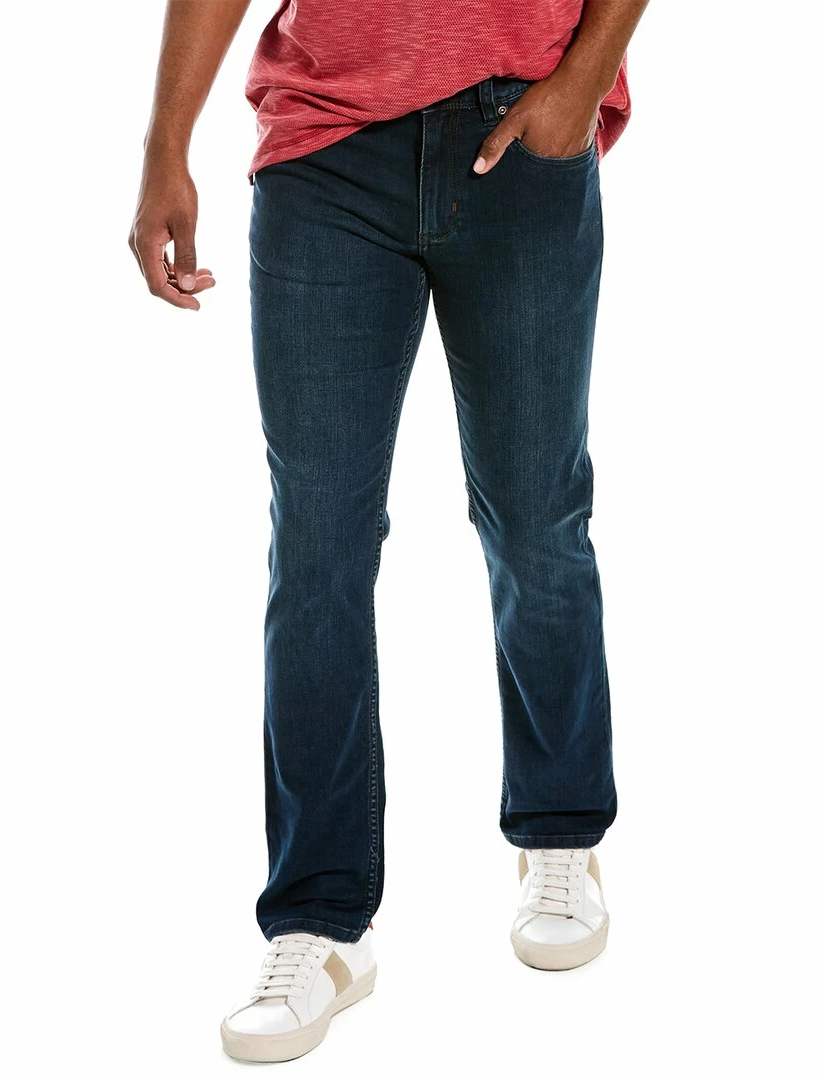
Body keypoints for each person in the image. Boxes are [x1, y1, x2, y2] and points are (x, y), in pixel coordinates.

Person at [129, 0, 650, 1063]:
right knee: (317, 548)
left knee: (535, 513)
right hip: (325, 155)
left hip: (519, 129)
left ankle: (559, 832)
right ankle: (319, 923)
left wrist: (582, 81)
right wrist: (164, 147)